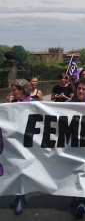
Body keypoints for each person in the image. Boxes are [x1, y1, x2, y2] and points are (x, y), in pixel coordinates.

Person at [67, 78, 85, 218]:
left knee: (84, 171)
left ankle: (82, 202)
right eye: (79, 88)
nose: (81, 91)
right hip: (72, 144)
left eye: (84, 89)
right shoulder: (69, 104)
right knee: (73, 171)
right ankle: (75, 195)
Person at [5, 79, 33, 214]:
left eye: (15, 89)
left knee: (23, 169)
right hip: (15, 143)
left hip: (28, 143)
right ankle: (18, 196)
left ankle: (21, 198)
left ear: (22, 90)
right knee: (16, 169)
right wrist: (6, 106)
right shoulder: (13, 103)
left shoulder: (34, 104)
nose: (13, 92)